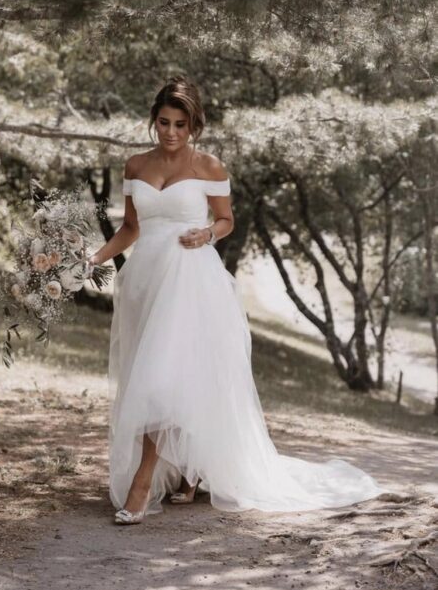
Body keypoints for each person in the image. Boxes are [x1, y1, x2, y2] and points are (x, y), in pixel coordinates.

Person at [85, 75, 386, 525]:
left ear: (194, 126)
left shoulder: (208, 167)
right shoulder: (134, 167)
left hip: (190, 277)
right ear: (154, 121)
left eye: (180, 124)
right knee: (159, 373)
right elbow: (131, 228)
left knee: (161, 372)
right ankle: (189, 472)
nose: (170, 132)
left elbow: (226, 220)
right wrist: (93, 259)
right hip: (145, 278)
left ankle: (143, 480)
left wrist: (207, 233)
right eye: (164, 122)